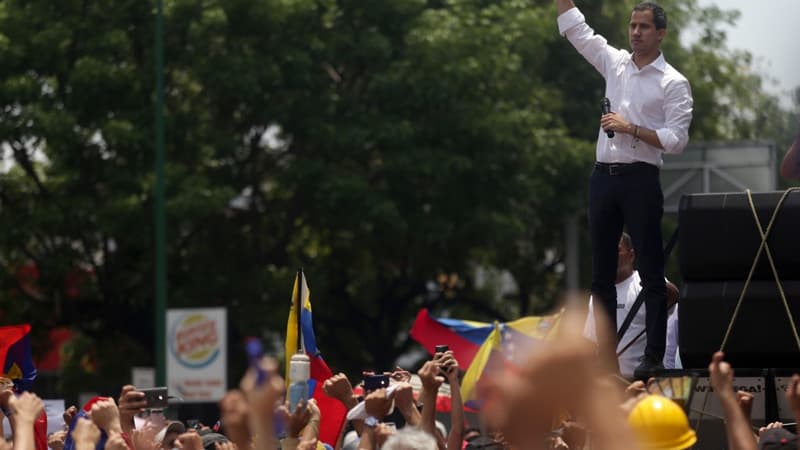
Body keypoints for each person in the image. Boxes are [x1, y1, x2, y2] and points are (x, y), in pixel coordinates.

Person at [556, 0, 693, 372]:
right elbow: (579, 32)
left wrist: (630, 127)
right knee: (600, 274)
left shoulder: (673, 82)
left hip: (640, 178)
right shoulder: (615, 63)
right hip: (604, 176)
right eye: (633, 26)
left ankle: (651, 357)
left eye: (645, 27)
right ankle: (605, 359)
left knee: (650, 271)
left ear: (661, 33)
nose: (636, 33)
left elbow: (677, 140)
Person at [584, 232, 679, 377]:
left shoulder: (645, 282)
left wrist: (654, 277)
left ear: (631, 255)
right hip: (612, 382)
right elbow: (591, 342)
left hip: (644, 381)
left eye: (616, 250)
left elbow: (674, 295)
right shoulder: (599, 293)